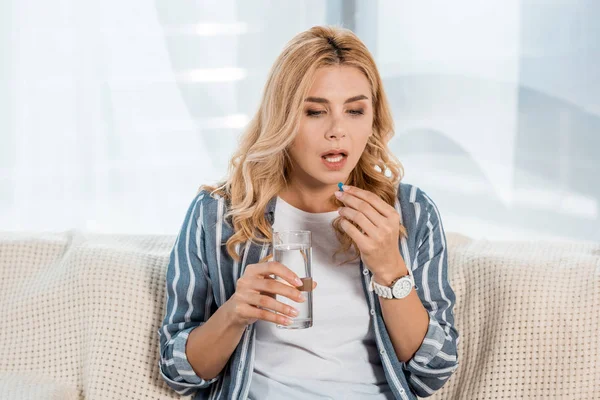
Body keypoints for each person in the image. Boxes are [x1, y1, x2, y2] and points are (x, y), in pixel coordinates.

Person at [158, 25, 459, 400]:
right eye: (315, 111)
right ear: (282, 118)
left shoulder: (410, 212)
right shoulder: (219, 213)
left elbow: (433, 374)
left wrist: (389, 268)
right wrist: (235, 312)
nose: (338, 130)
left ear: (373, 117)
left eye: (355, 110)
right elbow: (179, 373)